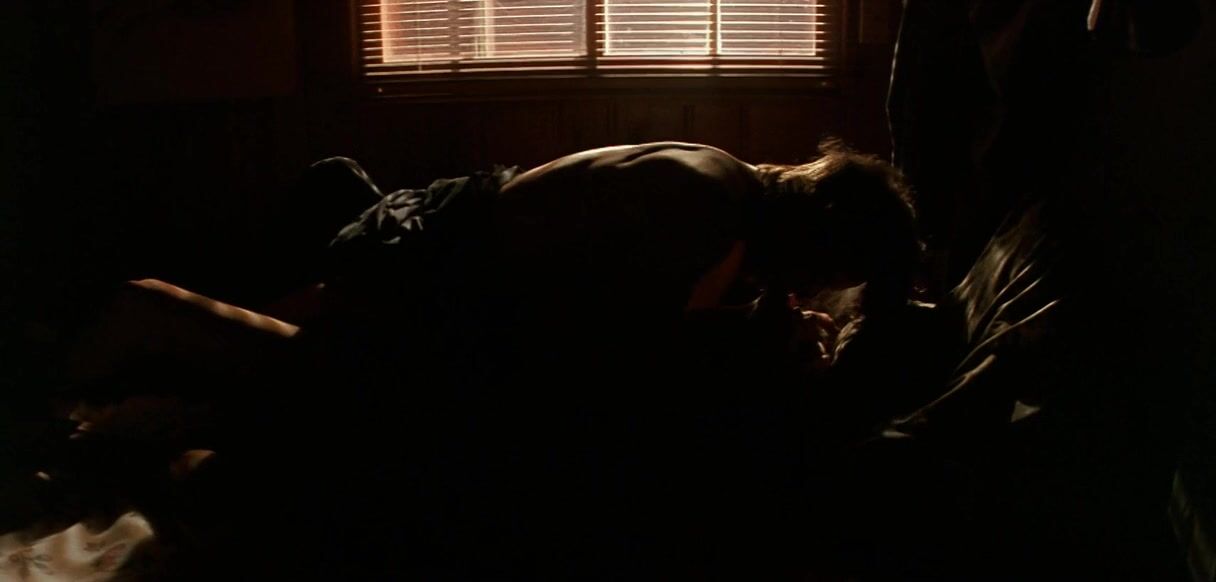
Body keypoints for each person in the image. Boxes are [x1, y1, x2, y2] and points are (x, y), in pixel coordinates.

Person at [46, 139, 921, 578]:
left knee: (334, 395)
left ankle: (166, 401)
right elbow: (625, 347)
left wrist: (768, 324)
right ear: (817, 233)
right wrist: (759, 347)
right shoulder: (703, 206)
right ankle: (145, 320)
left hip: (468, 260)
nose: (809, 287)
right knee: (330, 383)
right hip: (433, 262)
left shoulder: (731, 191)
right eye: (824, 271)